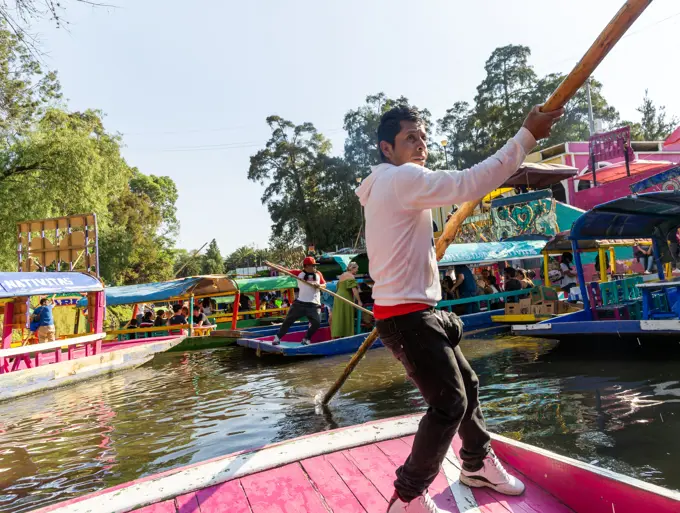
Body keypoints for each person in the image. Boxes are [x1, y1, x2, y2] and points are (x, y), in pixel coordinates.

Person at [356, 103, 561, 512]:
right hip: (407, 317)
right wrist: (528, 135)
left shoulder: (383, 185)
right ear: (386, 147)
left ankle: (476, 463)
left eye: (423, 137)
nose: (421, 145)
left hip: (413, 313)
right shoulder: (402, 179)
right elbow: (472, 181)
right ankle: (407, 497)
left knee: (467, 385)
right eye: (410, 138)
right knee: (450, 403)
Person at [273, 257, 326, 346]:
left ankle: (306, 338)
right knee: (288, 321)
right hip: (300, 303)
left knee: (316, 323)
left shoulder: (318, 274)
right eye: (313, 266)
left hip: (314, 304)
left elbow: (324, 284)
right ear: (307, 266)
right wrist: (272, 265)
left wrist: (319, 285)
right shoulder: (298, 273)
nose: (315, 267)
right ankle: (277, 337)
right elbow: (285, 270)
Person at [331, 261, 362, 339]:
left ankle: (338, 334)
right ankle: (347, 335)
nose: (357, 271)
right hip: (345, 297)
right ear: (353, 268)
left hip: (338, 296)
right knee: (346, 315)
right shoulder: (350, 276)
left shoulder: (342, 275)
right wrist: (359, 301)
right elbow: (354, 290)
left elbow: (338, 287)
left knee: (339, 316)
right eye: (357, 269)